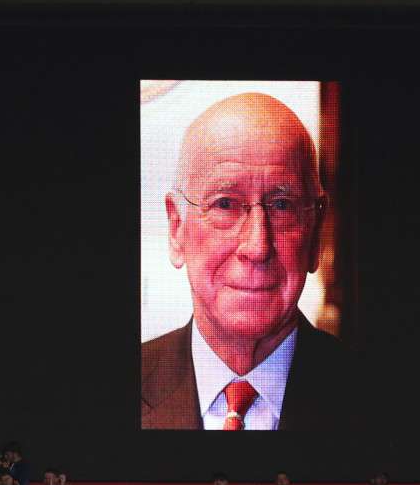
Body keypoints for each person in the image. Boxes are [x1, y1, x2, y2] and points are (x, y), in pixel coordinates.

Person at [139, 92, 360, 431]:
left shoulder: (378, 402)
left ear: (316, 234)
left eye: (282, 205)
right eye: (225, 204)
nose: (258, 246)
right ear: (176, 228)